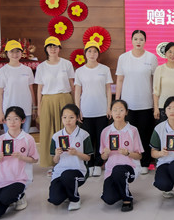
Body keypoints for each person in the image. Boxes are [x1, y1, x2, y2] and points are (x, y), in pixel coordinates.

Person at [116, 29, 158, 174]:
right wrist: (117, 102)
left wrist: (155, 104)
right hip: (128, 104)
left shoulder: (151, 58)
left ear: (145, 41)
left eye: (141, 39)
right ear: (131, 40)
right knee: (129, 135)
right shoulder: (123, 58)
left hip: (146, 103)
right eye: (135, 39)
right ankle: (131, 161)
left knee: (145, 134)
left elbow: (154, 82)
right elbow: (120, 80)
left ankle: (145, 162)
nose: (138, 42)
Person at [0, 106, 39, 220]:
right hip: (2, 179)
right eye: (9, 119)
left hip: (20, 178)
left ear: (22, 120)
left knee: (5, 199)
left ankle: (20, 195)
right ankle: (10, 197)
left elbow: (35, 159)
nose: (12, 122)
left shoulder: (28, 139)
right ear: (5, 121)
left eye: (16, 119)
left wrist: (22, 157)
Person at [35, 36, 75, 169]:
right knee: (48, 131)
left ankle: (67, 162)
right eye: (50, 46)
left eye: (55, 46)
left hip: (65, 99)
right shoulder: (41, 67)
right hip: (47, 100)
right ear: (46, 49)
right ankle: (51, 163)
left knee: (66, 130)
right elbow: (39, 89)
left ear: (59, 48)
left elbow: (72, 85)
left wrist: (75, 104)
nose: (52, 49)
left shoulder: (66, 64)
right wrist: (39, 108)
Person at [74, 40, 112, 177]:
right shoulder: (80, 71)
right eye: (89, 51)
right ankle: (89, 164)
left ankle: (98, 164)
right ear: (85, 53)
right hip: (86, 111)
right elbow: (77, 92)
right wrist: (78, 110)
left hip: (101, 110)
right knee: (88, 139)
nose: (92, 54)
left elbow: (108, 90)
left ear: (98, 54)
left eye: (95, 51)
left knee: (101, 138)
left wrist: (109, 107)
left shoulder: (105, 69)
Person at [100, 100, 144, 212]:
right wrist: (106, 153)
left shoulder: (133, 130)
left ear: (126, 112)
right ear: (110, 112)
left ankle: (127, 199)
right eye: (115, 110)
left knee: (118, 170)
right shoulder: (105, 131)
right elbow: (103, 157)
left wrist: (128, 153)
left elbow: (139, 156)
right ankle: (121, 189)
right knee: (109, 199)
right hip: (110, 170)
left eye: (121, 110)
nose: (118, 113)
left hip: (130, 168)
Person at [48, 104, 93, 211]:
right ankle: (68, 191)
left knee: (67, 176)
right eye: (64, 117)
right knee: (55, 199)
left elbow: (88, 158)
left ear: (77, 118)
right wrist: (57, 154)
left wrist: (77, 153)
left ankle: (75, 199)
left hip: (78, 170)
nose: (67, 120)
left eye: (71, 117)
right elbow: (55, 161)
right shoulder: (56, 136)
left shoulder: (84, 135)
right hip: (60, 172)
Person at [0, 40, 36, 134]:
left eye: (17, 51)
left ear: (21, 53)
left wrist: (34, 107)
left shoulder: (27, 70)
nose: (15, 54)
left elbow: (31, 90)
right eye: (12, 51)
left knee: (25, 136)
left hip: (26, 109)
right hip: (9, 111)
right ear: (7, 53)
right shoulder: (2, 71)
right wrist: (0, 112)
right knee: (10, 137)